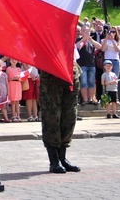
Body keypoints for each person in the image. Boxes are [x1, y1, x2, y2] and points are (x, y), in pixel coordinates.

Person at [39, 31, 82, 174]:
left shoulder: (68, 21)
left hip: (71, 72)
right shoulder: (46, 25)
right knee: (52, 116)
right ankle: (54, 160)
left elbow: (77, 33)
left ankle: (63, 157)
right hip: (52, 72)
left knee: (69, 116)